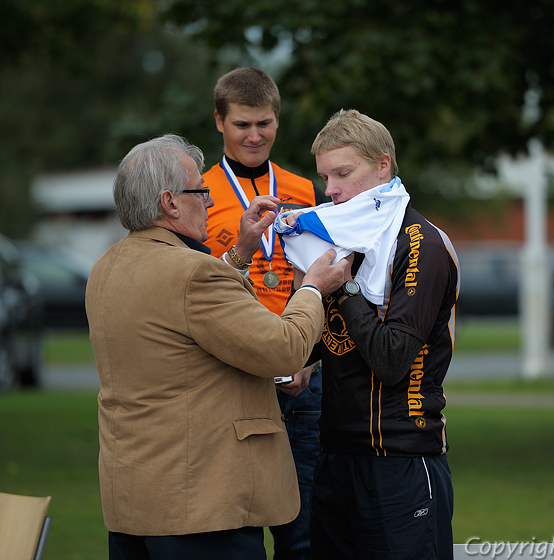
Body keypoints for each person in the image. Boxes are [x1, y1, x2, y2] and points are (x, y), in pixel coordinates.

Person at [85, 134, 348, 560]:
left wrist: (239, 253)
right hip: (201, 507)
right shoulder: (190, 275)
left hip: (134, 500)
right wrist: (314, 287)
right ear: (170, 202)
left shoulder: (108, 267)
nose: (209, 202)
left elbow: (177, 308)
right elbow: (285, 349)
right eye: (200, 191)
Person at [277, 109, 459, 560]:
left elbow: (393, 359)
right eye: (324, 178)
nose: (330, 190)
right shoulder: (341, 243)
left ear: (383, 165)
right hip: (336, 457)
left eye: (342, 173)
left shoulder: (421, 242)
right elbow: (320, 340)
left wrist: (343, 289)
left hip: (400, 457)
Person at [202, 67, 331, 559]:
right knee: (243, 518)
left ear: (278, 119)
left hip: (303, 370)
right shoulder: (201, 192)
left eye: (265, 123)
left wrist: (310, 356)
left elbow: (317, 272)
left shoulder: (301, 187)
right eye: (242, 125)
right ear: (219, 121)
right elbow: (199, 284)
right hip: (237, 373)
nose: (255, 136)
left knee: (306, 521)